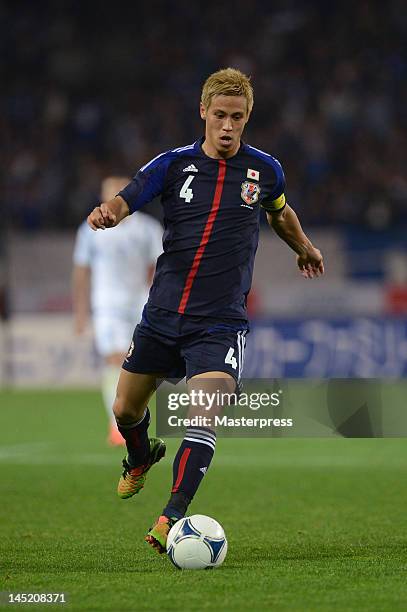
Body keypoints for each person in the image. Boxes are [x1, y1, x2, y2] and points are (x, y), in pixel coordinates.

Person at [87, 68, 324, 553]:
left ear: (247, 117)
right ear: (204, 112)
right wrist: (110, 212)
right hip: (163, 314)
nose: (228, 126)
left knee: (202, 417)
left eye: (237, 117)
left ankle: (170, 516)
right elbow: (129, 196)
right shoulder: (175, 165)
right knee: (125, 408)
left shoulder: (264, 170)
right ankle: (139, 456)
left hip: (219, 322)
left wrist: (303, 246)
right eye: (220, 115)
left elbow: (279, 212)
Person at [72, 176, 163, 445]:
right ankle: (117, 427)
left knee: (141, 366)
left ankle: (135, 416)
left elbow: (160, 266)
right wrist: (80, 312)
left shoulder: (148, 229)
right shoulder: (88, 231)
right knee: (115, 359)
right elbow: (81, 271)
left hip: (141, 303)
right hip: (107, 305)